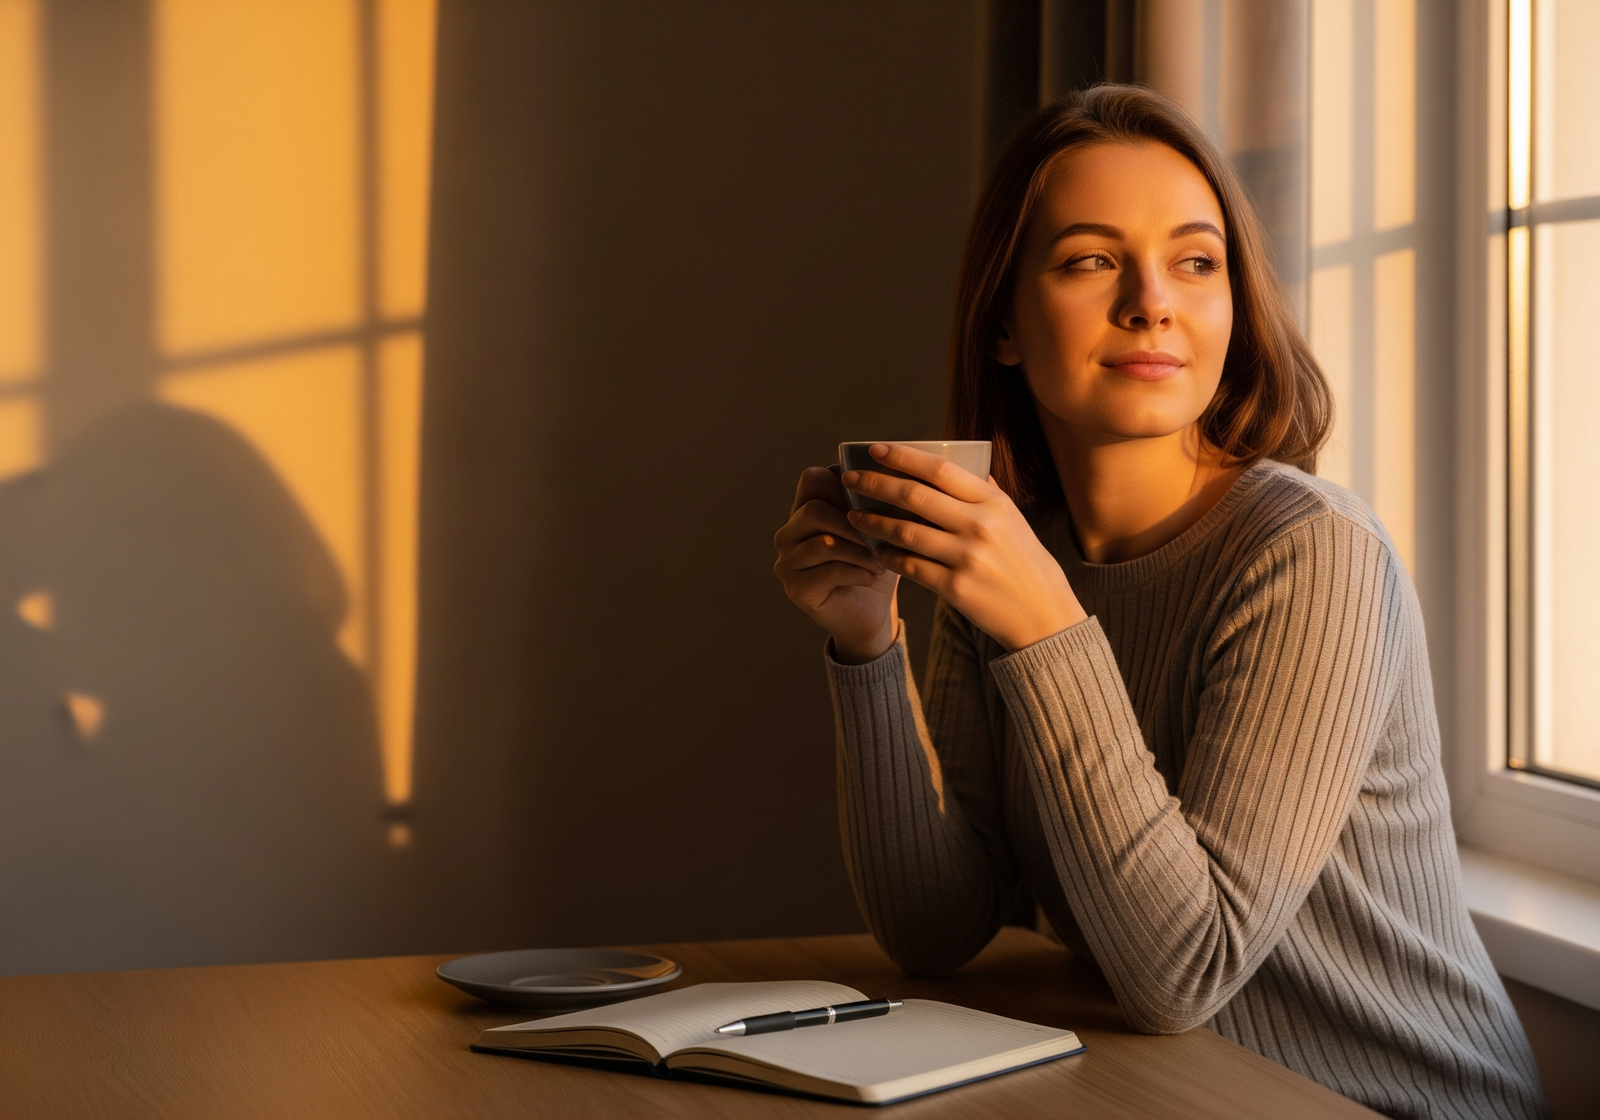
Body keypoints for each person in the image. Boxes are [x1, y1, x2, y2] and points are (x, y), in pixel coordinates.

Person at [772, 86, 1548, 1119]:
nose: (1152, 301)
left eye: (1195, 260)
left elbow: (1184, 968)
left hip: (1392, 1102)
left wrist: (1046, 622)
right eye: (1092, 259)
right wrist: (867, 638)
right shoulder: (1015, 549)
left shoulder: (1312, 553)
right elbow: (936, 927)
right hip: (1185, 1092)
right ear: (1002, 318)